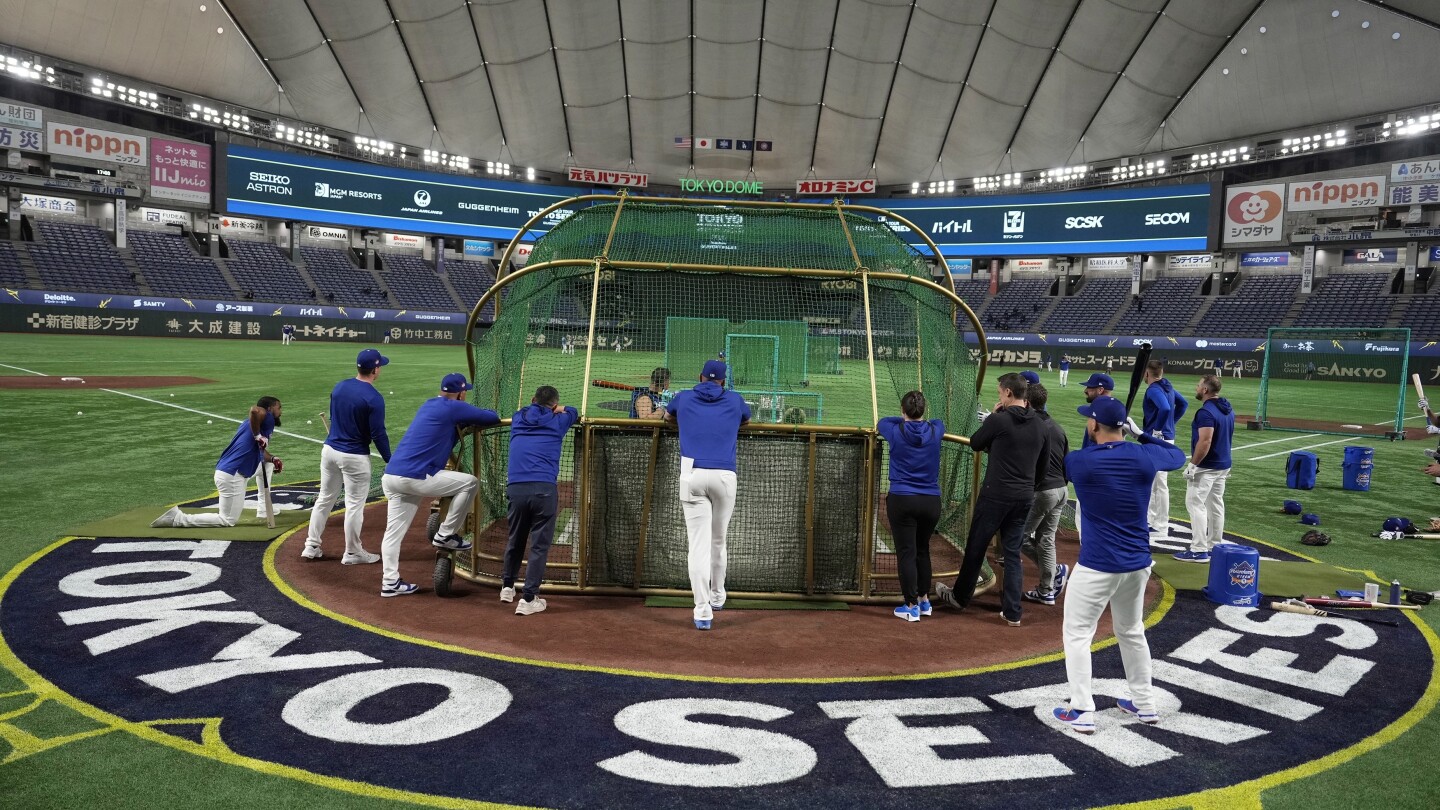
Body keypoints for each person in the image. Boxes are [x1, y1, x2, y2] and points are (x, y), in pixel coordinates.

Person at [1053, 396, 1186, 734]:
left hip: (1098, 566)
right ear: (1123, 427)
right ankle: (1145, 704)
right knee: (1131, 631)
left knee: (1078, 634)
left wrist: (1104, 438)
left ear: (1095, 426)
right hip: (1138, 563)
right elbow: (1177, 456)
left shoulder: (1080, 462)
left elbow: (1078, 458)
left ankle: (1082, 708)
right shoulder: (1145, 456)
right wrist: (1141, 435)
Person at [935, 373, 1049, 626]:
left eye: (1000, 392)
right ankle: (1013, 612)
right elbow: (1043, 468)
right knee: (1012, 554)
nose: (998, 396)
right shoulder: (1041, 424)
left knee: (976, 547)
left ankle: (960, 598)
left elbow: (976, 443)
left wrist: (996, 417)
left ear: (1008, 393)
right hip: (1024, 497)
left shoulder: (1000, 421)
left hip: (996, 496)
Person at [377, 373, 501, 597]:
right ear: (461, 393)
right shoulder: (454, 407)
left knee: (393, 534)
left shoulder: (429, 404)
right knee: (469, 483)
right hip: (416, 477)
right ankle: (446, 533)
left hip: (392, 476)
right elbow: (492, 417)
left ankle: (390, 582)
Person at [665, 360, 751, 630]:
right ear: (723, 381)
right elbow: (746, 421)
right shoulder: (736, 400)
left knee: (698, 546)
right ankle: (717, 596)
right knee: (718, 540)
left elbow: (667, 418)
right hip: (725, 477)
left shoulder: (683, 397)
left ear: (700, 376)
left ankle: (702, 612)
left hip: (692, 475)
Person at [302, 349, 392, 564]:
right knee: (354, 505)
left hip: (330, 451)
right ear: (375, 369)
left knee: (324, 499)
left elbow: (335, 416)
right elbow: (378, 434)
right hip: (355, 457)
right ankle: (352, 552)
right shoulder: (374, 398)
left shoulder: (340, 386)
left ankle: (311, 546)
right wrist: (390, 458)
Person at [502, 386, 580, 615]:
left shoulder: (518, 417)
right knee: (539, 546)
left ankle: (507, 587)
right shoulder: (559, 421)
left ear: (533, 400)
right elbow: (574, 412)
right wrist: (560, 409)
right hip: (544, 489)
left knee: (515, 539)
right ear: (554, 405)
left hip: (516, 487)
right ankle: (528, 599)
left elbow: (526, 410)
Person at [151, 397, 283, 528]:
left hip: (235, 470)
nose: (281, 411)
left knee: (267, 465)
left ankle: (263, 508)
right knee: (227, 520)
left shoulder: (252, 424)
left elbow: (259, 450)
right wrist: (258, 436)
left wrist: (272, 458)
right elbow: (254, 410)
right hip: (232, 476)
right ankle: (177, 518)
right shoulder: (267, 419)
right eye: (279, 407)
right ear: (270, 409)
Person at [877, 391, 944, 622]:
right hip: (930, 501)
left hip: (902, 499)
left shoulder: (895, 430)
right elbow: (936, 422)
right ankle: (924, 601)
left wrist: (903, 419)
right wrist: (914, 418)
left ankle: (911, 605)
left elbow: (881, 423)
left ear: (902, 410)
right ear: (923, 410)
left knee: (907, 553)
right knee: (922, 549)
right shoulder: (936, 430)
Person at [1174, 375, 1235, 564]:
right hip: (1223, 464)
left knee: (1195, 504)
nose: (1196, 387)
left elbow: (1205, 440)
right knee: (1216, 505)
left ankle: (1199, 549)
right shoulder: (1227, 408)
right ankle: (1214, 545)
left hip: (1207, 466)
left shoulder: (1206, 413)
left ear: (1205, 390)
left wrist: (1193, 464)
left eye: (1199, 385)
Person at [1020, 383, 1070, 606]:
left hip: (1043, 491)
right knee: (1046, 540)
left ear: (1027, 402)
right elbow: (1066, 462)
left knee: (1018, 537)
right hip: (1061, 490)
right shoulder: (1058, 427)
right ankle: (1046, 590)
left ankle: (1053, 571)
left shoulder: (1031, 427)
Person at [1141, 361, 1187, 547]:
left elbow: (1166, 408)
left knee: (1159, 483)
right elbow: (1183, 403)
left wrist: (1159, 429)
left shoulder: (1153, 389)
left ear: (1147, 373)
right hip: (1167, 437)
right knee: (1155, 482)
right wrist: (1171, 424)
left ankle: (1160, 525)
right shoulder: (1167, 386)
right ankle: (1152, 521)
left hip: (1158, 439)